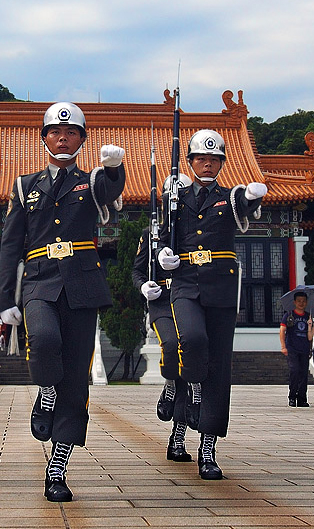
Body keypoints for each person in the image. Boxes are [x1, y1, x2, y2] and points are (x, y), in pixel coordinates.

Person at [0, 101, 125, 502]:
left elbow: (111, 189)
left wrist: (115, 167)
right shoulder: (24, 185)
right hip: (39, 283)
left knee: (75, 380)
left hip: (82, 287)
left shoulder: (91, 183)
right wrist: (4, 298)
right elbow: (11, 244)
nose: (62, 137)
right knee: (46, 341)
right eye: (55, 132)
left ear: (82, 140)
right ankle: (44, 392)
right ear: (44, 138)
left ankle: (58, 466)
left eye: (71, 133)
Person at [158, 129, 266, 480]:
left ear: (222, 163)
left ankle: (207, 446)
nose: (207, 163)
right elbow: (161, 234)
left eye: (214, 158)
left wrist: (251, 195)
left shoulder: (229, 196)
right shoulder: (175, 195)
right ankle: (185, 403)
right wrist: (164, 255)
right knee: (190, 341)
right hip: (186, 283)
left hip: (220, 286)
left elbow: (245, 205)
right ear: (189, 162)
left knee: (218, 365)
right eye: (201, 158)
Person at [132, 174, 196, 464]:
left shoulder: (197, 231)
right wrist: (144, 286)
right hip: (163, 301)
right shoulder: (151, 234)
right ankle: (168, 384)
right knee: (171, 347)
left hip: (192, 301)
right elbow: (137, 271)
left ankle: (178, 438)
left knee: (190, 368)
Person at [280, 292, 312, 408]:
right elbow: (282, 330)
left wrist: (310, 325)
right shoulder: (289, 315)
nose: (301, 303)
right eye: (299, 301)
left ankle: (302, 398)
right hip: (292, 348)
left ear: (306, 302)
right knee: (294, 371)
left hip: (304, 349)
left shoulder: (308, 317)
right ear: (294, 302)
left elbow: (310, 336)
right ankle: (292, 396)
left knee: (303, 374)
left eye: (303, 301)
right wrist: (283, 346)